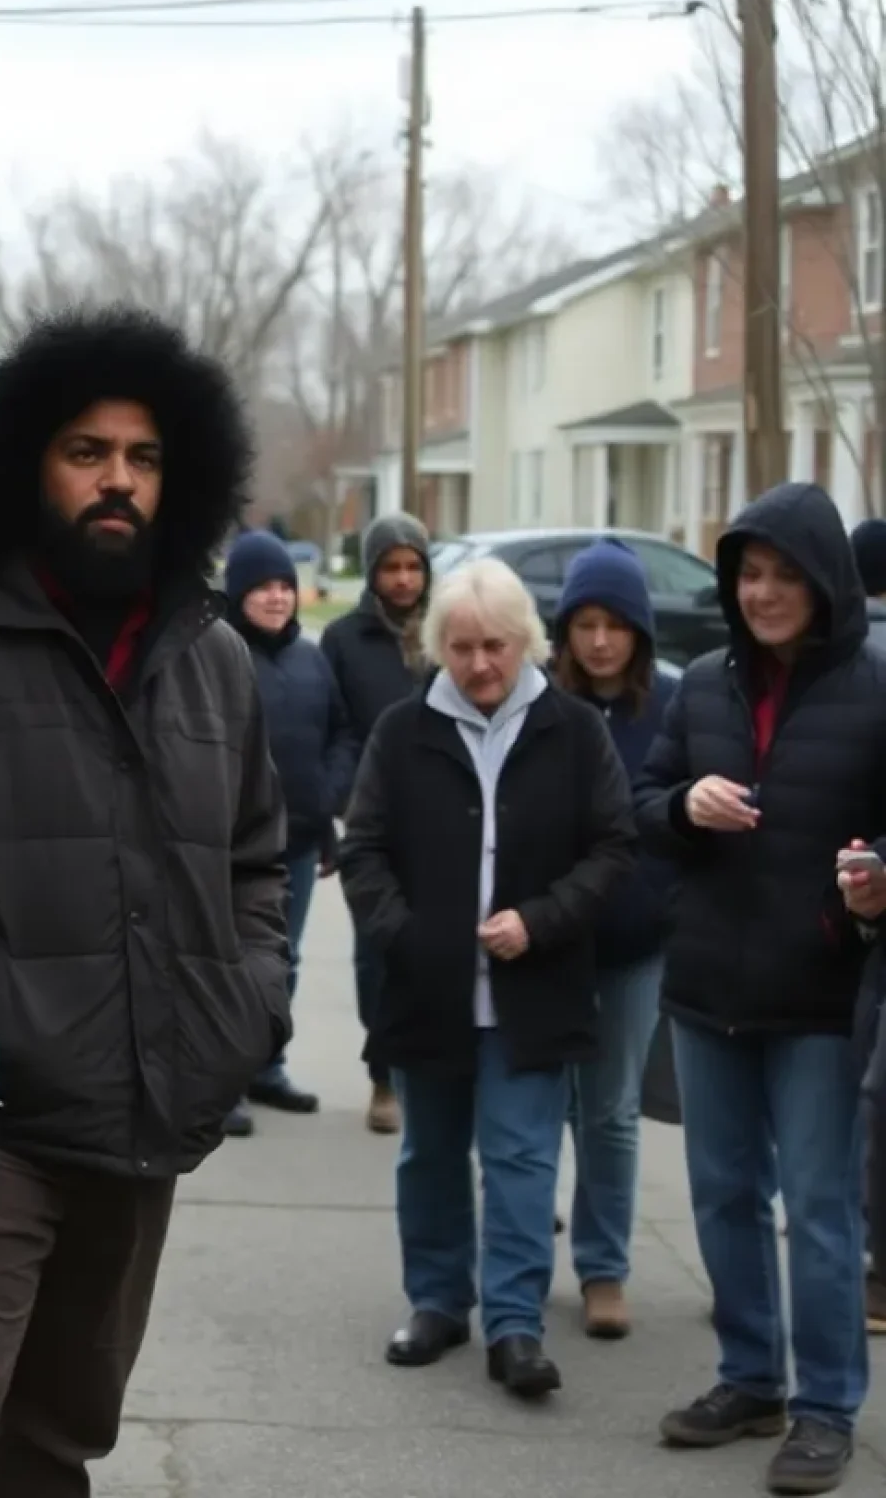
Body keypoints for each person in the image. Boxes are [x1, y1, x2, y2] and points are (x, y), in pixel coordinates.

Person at [0, 306, 292, 1498]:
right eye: (86, 452)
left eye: (143, 460)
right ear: (22, 460)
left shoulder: (214, 658)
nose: (118, 483)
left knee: (61, 1441)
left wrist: (249, 1003)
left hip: (145, 1120)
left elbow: (256, 858)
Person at [637, 482, 886, 1496]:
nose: (764, 591)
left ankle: (827, 1407)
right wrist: (685, 806)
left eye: (785, 573)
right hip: (707, 985)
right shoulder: (700, 685)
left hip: (821, 994)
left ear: (826, 580)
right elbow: (642, 806)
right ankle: (751, 1379)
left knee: (820, 1211)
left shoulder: (877, 687)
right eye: (750, 571)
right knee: (723, 1197)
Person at [339, 557, 634, 1399]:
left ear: (527, 644)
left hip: (532, 991)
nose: (479, 665)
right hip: (429, 989)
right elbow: (362, 851)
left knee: (520, 1158)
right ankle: (436, 1302)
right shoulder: (402, 731)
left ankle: (515, 1325)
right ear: (437, 646)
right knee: (430, 1152)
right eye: (461, 647)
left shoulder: (573, 730)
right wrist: (406, 932)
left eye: (496, 647)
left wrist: (539, 920)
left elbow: (613, 848)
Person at [550, 539, 678, 1340]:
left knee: (612, 1110)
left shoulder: (669, 707)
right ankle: (525, 1246)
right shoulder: (541, 704)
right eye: (585, 624)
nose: (600, 641)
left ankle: (603, 1267)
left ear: (639, 631)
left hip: (635, 942)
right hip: (547, 940)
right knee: (538, 1106)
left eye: (616, 625)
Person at [221, 528, 360, 1130]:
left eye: (285, 587)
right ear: (237, 595)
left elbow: (341, 735)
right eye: (262, 588)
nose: (277, 598)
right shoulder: (218, 655)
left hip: (300, 843)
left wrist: (328, 804)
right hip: (232, 848)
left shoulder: (312, 658)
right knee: (228, 961)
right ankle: (222, 1082)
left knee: (286, 960)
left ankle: (267, 1067)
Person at [320, 513, 432, 1135]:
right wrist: (342, 797)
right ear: (371, 572)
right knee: (375, 954)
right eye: (390, 566)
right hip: (372, 821)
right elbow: (334, 726)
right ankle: (382, 1075)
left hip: (440, 817)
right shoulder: (344, 639)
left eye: (413, 566)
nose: (402, 579)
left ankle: (423, 1068)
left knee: (431, 946)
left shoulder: (444, 634)